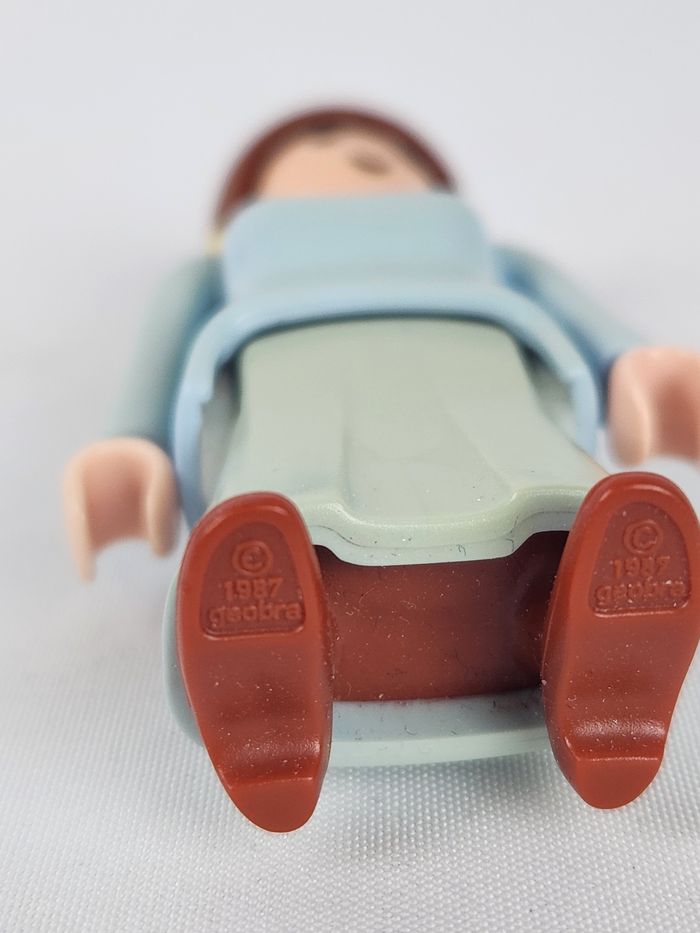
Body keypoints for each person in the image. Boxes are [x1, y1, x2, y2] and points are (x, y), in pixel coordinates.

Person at [64, 107, 700, 832]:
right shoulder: (221, 267)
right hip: (291, 375)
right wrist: (135, 440)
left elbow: (575, 308)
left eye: (378, 149)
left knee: (540, 472)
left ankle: (582, 648)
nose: (347, 154)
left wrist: (633, 361)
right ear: (247, 204)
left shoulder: (487, 251)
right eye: (315, 145)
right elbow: (160, 348)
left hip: (482, 366)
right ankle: (278, 680)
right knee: (278, 493)